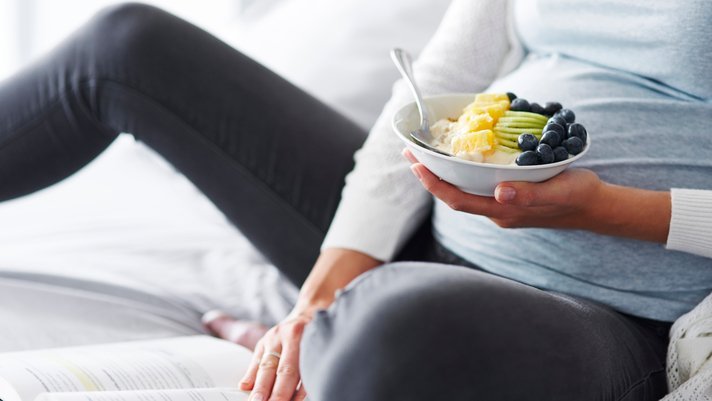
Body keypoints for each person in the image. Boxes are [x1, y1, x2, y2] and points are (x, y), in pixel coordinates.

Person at [1, 1, 710, 400]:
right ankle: (337, 321)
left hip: (615, 312)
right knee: (128, 46)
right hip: (435, 224)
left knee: (398, 326)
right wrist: (315, 301)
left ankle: (356, 331)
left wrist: (600, 209)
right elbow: (432, 83)